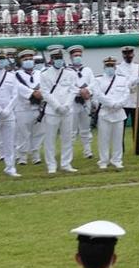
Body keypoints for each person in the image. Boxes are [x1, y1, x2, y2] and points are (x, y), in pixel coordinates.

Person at [41, 46, 82, 175]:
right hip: (52, 111)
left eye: (60, 58)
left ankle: (66, 163)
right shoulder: (45, 74)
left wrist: (67, 105)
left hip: (67, 110)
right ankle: (51, 165)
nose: (59, 60)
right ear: (51, 59)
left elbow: (73, 90)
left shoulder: (70, 73)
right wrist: (57, 106)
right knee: (50, 139)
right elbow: (45, 93)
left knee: (67, 138)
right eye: (56, 58)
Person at [0, 49, 25, 178]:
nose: (2, 61)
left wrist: (7, 110)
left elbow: (15, 94)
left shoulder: (11, 76)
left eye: (3, 59)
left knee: (9, 142)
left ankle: (10, 167)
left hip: (9, 114)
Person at [95, 55, 131, 170]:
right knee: (103, 139)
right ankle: (103, 160)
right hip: (105, 113)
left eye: (112, 65)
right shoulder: (98, 80)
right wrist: (112, 104)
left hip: (119, 112)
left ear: (115, 67)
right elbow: (99, 95)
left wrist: (119, 104)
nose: (110, 67)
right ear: (104, 67)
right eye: (108, 65)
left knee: (118, 139)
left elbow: (126, 94)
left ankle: (117, 159)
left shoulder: (123, 79)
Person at [67, 45, 97, 163]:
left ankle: (88, 151)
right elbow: (67, 86)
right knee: (72, 130)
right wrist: (80, 91)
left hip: (86, 101)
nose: (77, 58)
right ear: (70, 57)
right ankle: (69, 153)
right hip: (73, 102)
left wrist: (87, 91)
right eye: (75, 56)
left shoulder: (87, 70)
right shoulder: (67, 71)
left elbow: (93, 83)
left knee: (86, 128)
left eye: (79, 55)